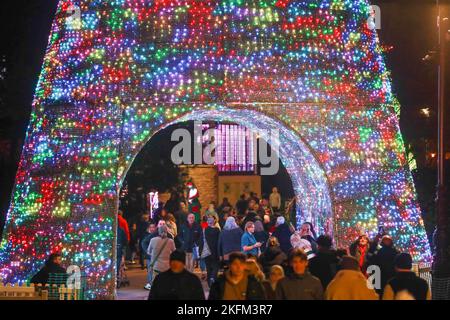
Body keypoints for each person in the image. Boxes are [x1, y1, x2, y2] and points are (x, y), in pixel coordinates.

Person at [199, 216, 221, 287]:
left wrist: (200, 251)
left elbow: (201, 241)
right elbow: (219, 241)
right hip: (215, 252)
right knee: (215, 266)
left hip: (206, 251)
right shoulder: (217, 230)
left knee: (208, 268)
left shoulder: (204, 229)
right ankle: (213, 278)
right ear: (214, 221)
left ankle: (209, 283)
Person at [141, 222, 157, 290]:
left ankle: (154, 283)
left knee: (155, 270)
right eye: (151, 227)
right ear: (149, 228)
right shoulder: (146, 235)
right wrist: (148, 252)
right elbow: (143, 244)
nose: (152, 228)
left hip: (156, 256)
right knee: (150, 270)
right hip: (149, 256)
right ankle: (150, 283)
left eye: (153, 227)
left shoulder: (156, 235)